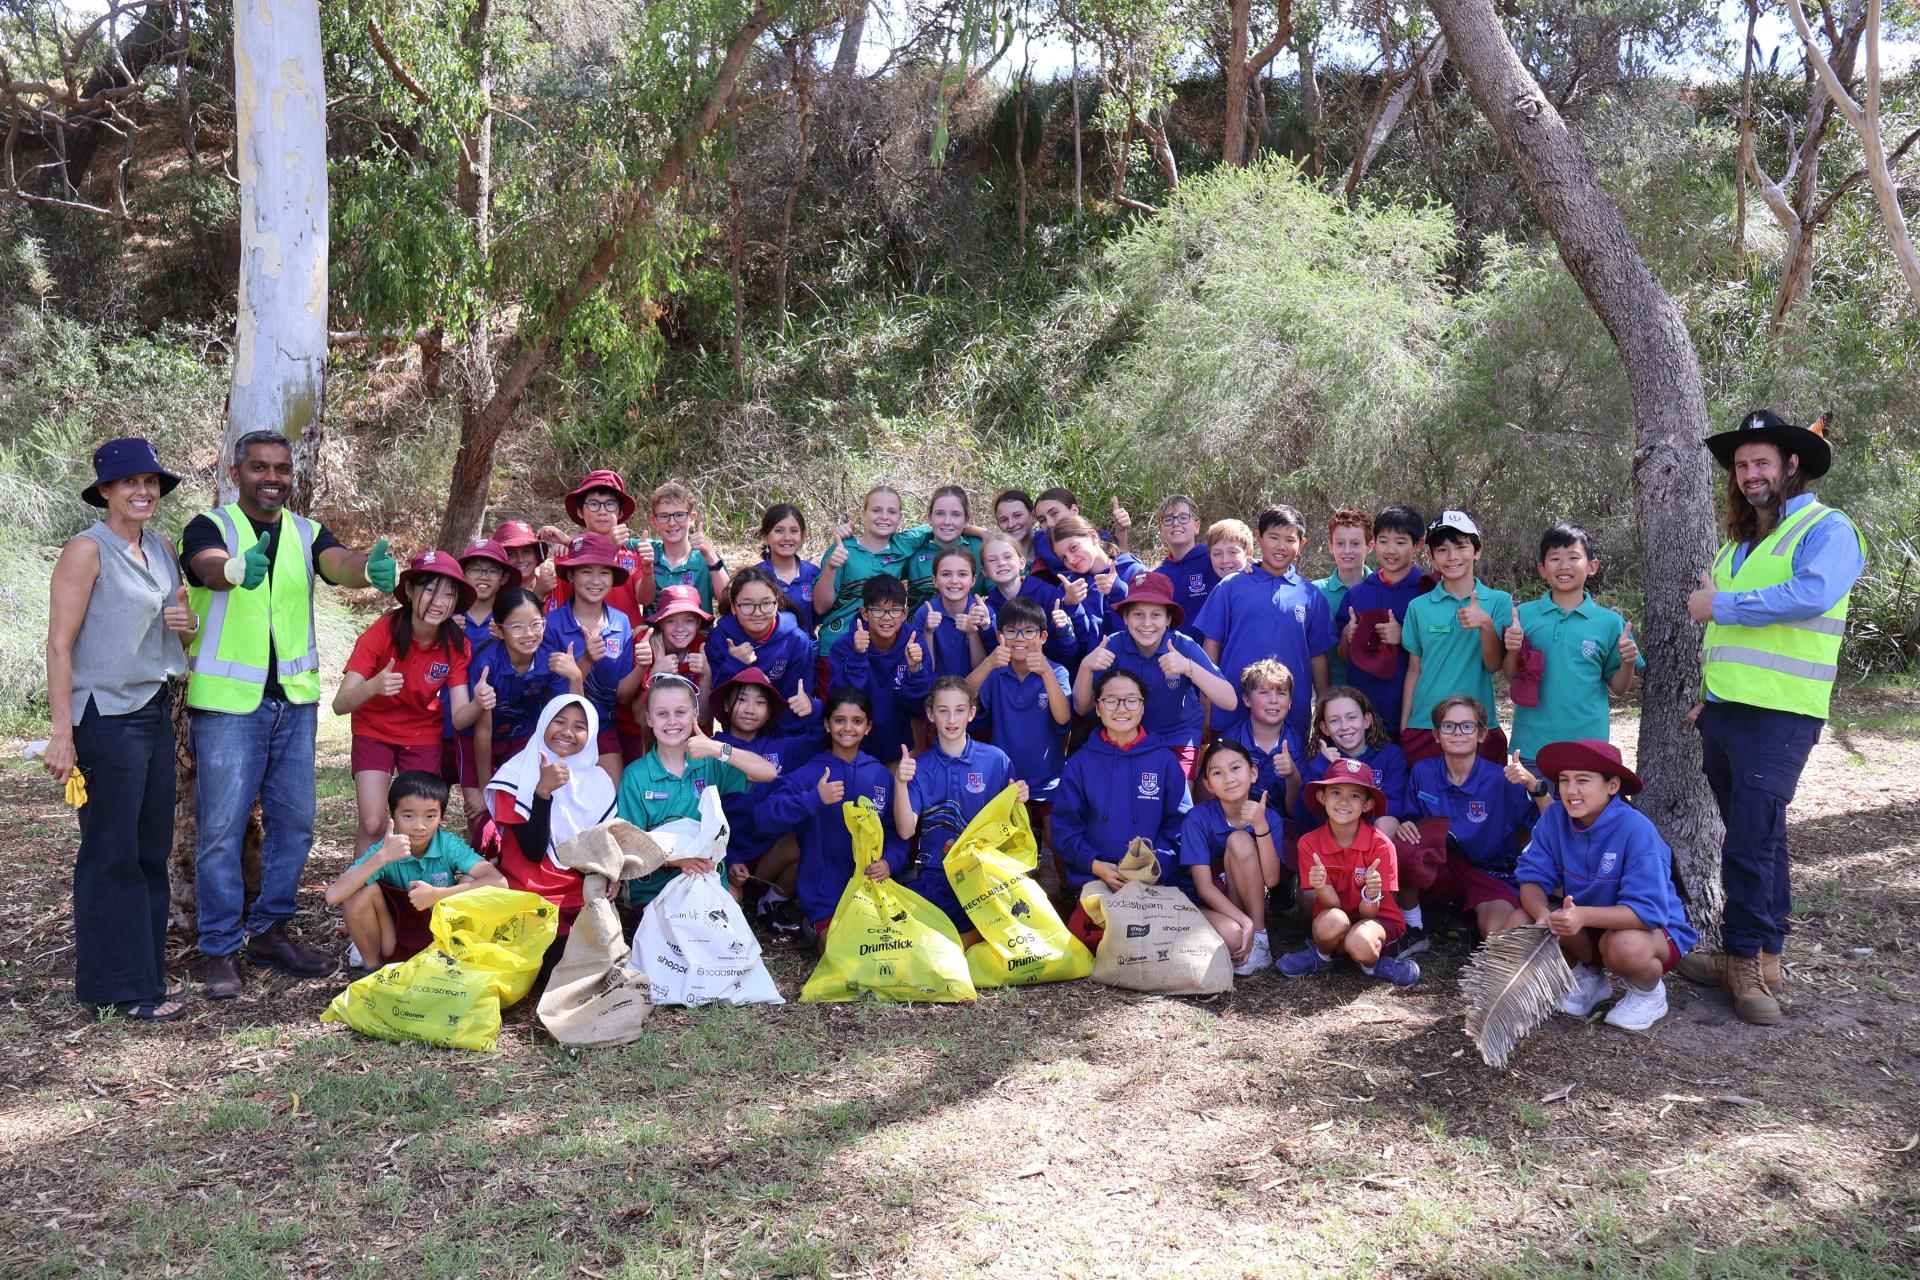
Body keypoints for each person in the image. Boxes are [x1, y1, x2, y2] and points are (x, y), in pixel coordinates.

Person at [178, 429, 399, 998]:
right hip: (228, 708)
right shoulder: (211, 527)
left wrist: (367, 571)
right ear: (236, 472)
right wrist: (231, 570)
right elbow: (205, 566)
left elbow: (340, 563)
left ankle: (270, 930)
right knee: (222, 832)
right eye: (258, 467)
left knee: (295, 826)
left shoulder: (304, 532)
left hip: (294, 704)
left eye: (281, 468)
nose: (271, 478)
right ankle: (221, 949)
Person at [1677, 409, 1863, 1026]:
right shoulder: (1739, 544)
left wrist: (1719, 603)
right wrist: (1710, 696)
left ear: (1792, 466)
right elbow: (1725, 638)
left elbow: (1811, 594)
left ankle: (1740, 961)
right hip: (1727, 714)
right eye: (1741, 464)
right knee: (1762, 837)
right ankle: (1768, 951)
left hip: (1781, 717)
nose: (1751, 473)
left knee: (1749, 841)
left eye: (1762, 462)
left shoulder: (1826, 528)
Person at [45, 437, 197, 1021]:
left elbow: (177, 634)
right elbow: (59, 644)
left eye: (152, 482)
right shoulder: (87, 551)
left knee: (151, 847)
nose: (143, 491)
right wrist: (62, 732)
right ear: (105, 490)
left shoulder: (159, 547)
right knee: (112, 850)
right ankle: (116, 986)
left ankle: (146, 975)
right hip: (104, 718)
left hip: (155, 710)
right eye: (130, 482)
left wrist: (186, 624)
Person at [1509, 739, 1696, 1032]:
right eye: (1564, 780)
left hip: (1649, 932)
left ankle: (1648, 994)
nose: (1571, 791)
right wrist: (1544, 915)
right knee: (1520, 922)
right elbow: (1531, 878)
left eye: (1583, 781)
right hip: (1587, 925)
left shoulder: (1636, 830)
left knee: (1622, 945)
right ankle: (1588, 976)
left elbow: (1647, 912)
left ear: (1612, 786)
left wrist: (1582, 916)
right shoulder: (1555, 818)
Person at [334, 552, 483, 857]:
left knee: (418, 827)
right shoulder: (382, 632)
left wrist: (480, 702)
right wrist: (373, 686)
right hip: (374, 729)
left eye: (449, 594)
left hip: (422, 735)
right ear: (412, 591)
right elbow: (340, 703)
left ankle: (408, 895)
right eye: (430, 590)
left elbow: (460, 716)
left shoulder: (456, 644)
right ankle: (361, 892)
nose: (438, 602)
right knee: (373, 821)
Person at [758, 687, 911, 938]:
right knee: (841, 955)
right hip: (824, 895)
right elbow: (765, 816)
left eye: (857, 721)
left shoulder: (880, 775)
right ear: (827, 725)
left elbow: (896, 832)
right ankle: (812, 924)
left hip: (870, 888)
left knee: (886, 953)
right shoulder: (812, 772)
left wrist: (889, 861)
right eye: (840, 720)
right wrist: (813, 799)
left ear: (868, 727)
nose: (847, 728)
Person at [616, 674, 779, 909]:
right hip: (656, 885)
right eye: (662, 714)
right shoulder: (636, 775)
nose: (672, 721)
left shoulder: (710, 761)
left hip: (705, 874)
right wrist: (679, 861)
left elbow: (768, 772)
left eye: (681, 712)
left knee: (732, 900)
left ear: (694, 715)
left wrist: (719, 748)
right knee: (676, 923)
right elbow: (630, 842)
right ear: (649, 719)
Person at [1397, 696, 1545, 945]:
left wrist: (1533, 784)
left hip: (1488, 870)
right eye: (1448, 726)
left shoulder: (1502, 779)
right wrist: (1405, 825)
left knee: (1495, 931)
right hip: (1441, 867)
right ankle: (1415, 927)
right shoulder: (1422, 772)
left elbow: (1546, 824)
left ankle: (1463, 915)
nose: (1457, 732)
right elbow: (1410, 818)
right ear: (1436, 735)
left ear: (1482, 734)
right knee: (1401, 845)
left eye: (1467, 726)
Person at [324, 771, 505, 973]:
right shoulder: (385, 850)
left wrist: (438, 895)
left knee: (473, 879)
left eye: (430, 816)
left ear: (441, 818)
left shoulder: (448, 845)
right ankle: (373, 969)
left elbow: (499, 882)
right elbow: (333, 896)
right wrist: (382, 857)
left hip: (443, 936)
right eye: (408, 816)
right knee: (359, 891)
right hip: (396, 938)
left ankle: (459, 959)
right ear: (390, 815)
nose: (419, 826)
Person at [894, 678, 1025, 942]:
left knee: (1017, 915)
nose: (951, 719)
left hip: (984, 875)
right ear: (931, 714)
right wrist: (899, 782)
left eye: (960, 710)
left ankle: (961, 943)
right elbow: (906, 830)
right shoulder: (919, 767)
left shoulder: (996, 760)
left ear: (972, 713)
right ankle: (961, 943)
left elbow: (1012, 829)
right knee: (903, 930)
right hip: (935, 874)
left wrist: (1020, 798)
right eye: (943, 710)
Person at [1503, 523, 1641, 774]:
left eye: (1574, 558)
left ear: (1592, 567)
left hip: (1587, 747)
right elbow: (1512, 676)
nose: (1564, 566)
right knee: (1533, 812)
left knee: (1581, 812)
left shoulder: (1609, 623)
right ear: (1542, 570)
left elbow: (1619, 689)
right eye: (1555, 558)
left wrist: (1628, 662)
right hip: (1532, 746)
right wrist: (1512, 650)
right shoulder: (1523, 615)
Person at [1195, 504, 1335, 747]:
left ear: (1301, 545)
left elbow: (1317, 657)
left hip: (1290, 715)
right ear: (1258, 538)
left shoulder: (1310, 596)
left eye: (1290, 540)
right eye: (1273, 537)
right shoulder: (1231, 586)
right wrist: (1206, 703)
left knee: (1288, 774)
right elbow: (1211, 645)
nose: (1281, 546)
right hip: (1232, 708)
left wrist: (1323, 706)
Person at [1072, 572, 1234, 777]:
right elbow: (1082, 707)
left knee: (1178, 797)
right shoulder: (1113, 645)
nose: (1147, 623)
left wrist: (1188, 667)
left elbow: (1229, 700)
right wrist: (1086, 667)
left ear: (1168, 619)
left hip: (1177, 736)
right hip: (1127, 735)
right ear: (1125, 618)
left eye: (1156, 615)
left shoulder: (1182, 646)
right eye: (1138, 614)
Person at [1276, 759, 1420, 985]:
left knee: (1360, 940)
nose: (1344, 801)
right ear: (1322, 798)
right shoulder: (1308, 844)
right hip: (1336, 919)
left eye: (1354, 795)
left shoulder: (1381, 845)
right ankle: (1323, 956)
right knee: (1331, 921)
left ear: (1367, 805)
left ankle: (1374, 965)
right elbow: (1330, 906)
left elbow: (1370, 914)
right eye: (1335, 792)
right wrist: (1322, 886)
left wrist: (1370, 894)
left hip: (1375, 922)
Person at [486, 694, 617, 937]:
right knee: (550, 964)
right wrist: (542, 791)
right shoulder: (516, 774)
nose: (567, 732)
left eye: (580, 727)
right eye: (559, 722)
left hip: (580, 897)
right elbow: (533, 851)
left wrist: (612, 876)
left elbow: (601, 846)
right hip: (527, 895)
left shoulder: (599, 781)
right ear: (544, 722)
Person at [1052, 668, 1191, 893]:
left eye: (1131, 700)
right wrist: (1095, 865)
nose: (1122, 708)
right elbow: (1065, 828)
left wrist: (1152, 868)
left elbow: (1180, 825)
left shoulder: (1164, 760)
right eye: (1111, 701)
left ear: (1143, 707)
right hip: (1095, 880)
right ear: (1097, 708)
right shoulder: (1080, 763)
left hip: (1154, 881)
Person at [1399, 510, 1512, 764]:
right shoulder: (1418, 606)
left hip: (1479, 726)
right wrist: (1406, 724)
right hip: (1426, 725)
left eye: (1461, 546)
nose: (1452, 557)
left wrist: (1485, 624)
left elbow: (1494, 665)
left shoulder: (1498, 601)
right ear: (1431, 556)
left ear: (1477, 550)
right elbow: (1414, 670)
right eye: (1442, 549)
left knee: (1481, 801)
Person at [711, 668, 820, 920]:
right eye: (742, 699)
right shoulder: (714, 749)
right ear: (726, 705)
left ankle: (773, 902)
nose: (751, 709)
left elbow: (819, 739)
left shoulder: (782, 748)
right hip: (727, 853)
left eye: (760, 703)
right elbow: (707, 815)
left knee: (807, 838)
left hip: (769, 856)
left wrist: (813, 709)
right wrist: (730, 858)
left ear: (770, 712)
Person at [467, 587, 582, 825]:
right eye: (517, 627)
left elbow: (571, 714)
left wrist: (576, 677)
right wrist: (485, 787)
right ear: (499, 630)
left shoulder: (550, 660)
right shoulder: (486, 665)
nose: (529, 634)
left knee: (520, 806)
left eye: (536, 624)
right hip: (480, 742)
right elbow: (483, 731)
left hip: (524, 741)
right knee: (481, 812)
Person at [970, 595, 1072, 862]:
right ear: (1000, 634)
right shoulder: (996, 672)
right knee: (1007, 848)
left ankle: (1064, 891)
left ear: (1043, 637)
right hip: (1005, 782)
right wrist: (989, 663)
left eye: (1029, 631)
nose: (1020, 638)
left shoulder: (1056, 671)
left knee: (1057, 839)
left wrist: (1047, 673)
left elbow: (1063, 718)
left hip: (1049, 780)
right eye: (1012, 631)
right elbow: (960, 697)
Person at [542, 532, 645, 777]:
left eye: (604, 572)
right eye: (586, 571)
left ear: (613, 579)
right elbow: (556, 697)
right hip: (559, 731)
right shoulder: (552, 625)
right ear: (571, 575)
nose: (596, 581)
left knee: (615, 803)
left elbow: (622, 695)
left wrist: (642, 666)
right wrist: (586, 661)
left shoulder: (620, 623)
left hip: (604, 727)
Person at [1178, 739, 1283, 974]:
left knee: (1239, 840)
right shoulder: (1197, 819)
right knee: (1235, 937)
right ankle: (1244, 930)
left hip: (1240, 900)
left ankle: (1259, 938)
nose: (1229, 778)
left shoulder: (1269, 817)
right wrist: (1243, 922)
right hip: (1203, 903)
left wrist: (1260, 826)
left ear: (1253, 773)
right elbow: (1203, 887)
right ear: (1208, 784)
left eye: (1236, 768)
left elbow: (1272, 879)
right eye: (1217, 773)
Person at [1336, 504, 1427, 741]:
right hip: (1360, 718)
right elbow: (1344, 657)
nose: (1391, 550)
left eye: (1400, 541)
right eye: (1384, 541)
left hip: (1410, 715)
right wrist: (1348, 635)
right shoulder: (1356, 595)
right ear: (1374, 543)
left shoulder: (1427, 593)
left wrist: (1404, 635)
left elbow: (1439, 653)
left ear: (1418, 545)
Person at [827, 575, 931, 760]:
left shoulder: (915, 646)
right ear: (864, 613)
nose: (887, 618)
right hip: (854, 751)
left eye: (895, 611)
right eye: (878, 610)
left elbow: (918, 706)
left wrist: (915, 670)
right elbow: (843, 703)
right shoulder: (843, 647)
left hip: (901, 750)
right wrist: (858, 656)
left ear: (905, 614)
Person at [538, 469, 656, 621]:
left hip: (627, 640)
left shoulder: (631, 557)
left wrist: (647, 568)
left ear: (620, 512)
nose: (602, 511)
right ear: (580, 511)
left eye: (610, 504)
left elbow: (645, 600)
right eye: (593, 504)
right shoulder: (567, 558)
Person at [813, 485, 915, 660]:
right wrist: (831, 567)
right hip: (839, 648)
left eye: (892, 512)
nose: (884, 517)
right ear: (863, 514)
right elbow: (820, 607)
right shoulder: (842, 549)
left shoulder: (902, 547)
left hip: (881, 650)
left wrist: (978, 533)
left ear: (900, 517)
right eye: (876, 510)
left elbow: (941, 526)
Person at [977, 530, 1087, 670]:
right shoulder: (989, 607)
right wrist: (986, 627)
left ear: (1022, 562)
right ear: (984, 571)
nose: (1001, 563)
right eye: (992, 560)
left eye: (1007, 557)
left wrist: (1064, 629)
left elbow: (1069, 655)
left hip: (1054, 675)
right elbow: (997, 657)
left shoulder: (1046, 593)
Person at [1047, 513, 1147, 644]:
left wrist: (1118, 592)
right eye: (1063, 558)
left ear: (1093, 536)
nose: (1071, 559)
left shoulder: (1134, 572)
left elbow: (1146, 632)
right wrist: (1070, 607)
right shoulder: (1069, 588)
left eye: (1073, 548)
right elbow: (1073, 653)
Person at [710, 567, 813, 692]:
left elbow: (798, 698)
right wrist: (733, 663)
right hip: (731, 711)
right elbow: (714, 697)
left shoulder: (797, 641)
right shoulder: (719, 638)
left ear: (777, 602)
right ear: (733, 607)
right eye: (747, 605)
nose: (758, 613)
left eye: (766, 603)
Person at [647, 480, 729, 614]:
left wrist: (710, 555)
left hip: (699, 633)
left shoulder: (705, 559)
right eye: (664, 516)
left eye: (679, 515)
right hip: (655, 633)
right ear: (654, 521)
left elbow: (729, 601)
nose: (672, 523)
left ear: (692, 518)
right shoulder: (648, 551)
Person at [914, 545, 993, 684]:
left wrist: (972, 633)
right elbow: (925, 670)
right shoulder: (925, 612)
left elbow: (983, 671)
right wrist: (928, 632)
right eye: (946, 574)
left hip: (974, 694)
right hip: (936, 694)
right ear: (934, 580)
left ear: (973, 580)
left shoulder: (982, 612)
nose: (954, 580)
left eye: (962, 574)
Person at [1316, 508, 1373, 687]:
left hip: (1378, 696)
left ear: (1370, 546)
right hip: (1335, 695)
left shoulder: (1383, 589)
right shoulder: (1315, 592)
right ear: (1330, 546)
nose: (1347, 550)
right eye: (1340, 543)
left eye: (1355, 544)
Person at [904, 485, 983, 610]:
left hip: (967, 627)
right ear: (929, 517)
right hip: (918, 627)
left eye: (955, 515)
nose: (947, 521)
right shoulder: (913, 548)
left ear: (966, 519)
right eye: (940, 514)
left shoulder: (978, 548)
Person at [1152, 494, 1217, 643]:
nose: (1175, 523)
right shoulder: (1158, 575)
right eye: (1168, 519)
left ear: (1197, 526)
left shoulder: (1214, 560)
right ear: (1161, 529)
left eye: (1183, 517)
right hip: (1171, 656)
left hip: (1211, 654)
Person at [756, 504, 821, 632]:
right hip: (768, 650)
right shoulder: (755, 576)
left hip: (808, 649)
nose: (787, 537)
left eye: (794, 531)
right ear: (765, 536)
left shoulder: (814, 574)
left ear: (802, 536)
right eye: (779, 531)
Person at [992, 489, 1037, 563]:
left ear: (1033, 516)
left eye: (1017, 515)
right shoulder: (997, 560)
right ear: (998, 525)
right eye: (1004, 520)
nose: (1011, 525)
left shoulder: (1050, 543)